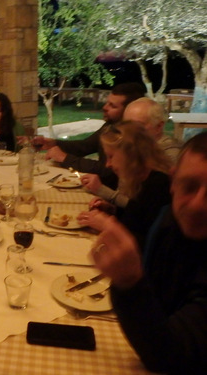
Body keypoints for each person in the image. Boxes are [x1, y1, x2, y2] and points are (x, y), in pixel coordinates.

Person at [89, 132, 207, 374]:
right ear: (173, 181)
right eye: (190, 185)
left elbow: (171, 357)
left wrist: (129, 282)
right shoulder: (167, 220)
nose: (197, 204)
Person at [77, 121, 172, 246]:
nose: (108, 164)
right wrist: (112, 210)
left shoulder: (158, 185)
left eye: (111, 156)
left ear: (130, 155)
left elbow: (147, 243)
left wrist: (108, 225)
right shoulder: (143, 179)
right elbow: (137, 218)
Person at [34, 82, 146, 188]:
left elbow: (108, 172)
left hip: (111, 193)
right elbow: (86, 146)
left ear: (129, 110)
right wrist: (53, 143)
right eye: (107, 102)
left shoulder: (129, 137)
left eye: (112, 106)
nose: (105, 107)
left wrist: (65, 158)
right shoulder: (110, 126)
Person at [123, 97, 182, 163]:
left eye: (137, 125)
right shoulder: (125, 147)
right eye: (126, 124)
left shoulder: (169, 155)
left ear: (158, 126)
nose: (129, 130)